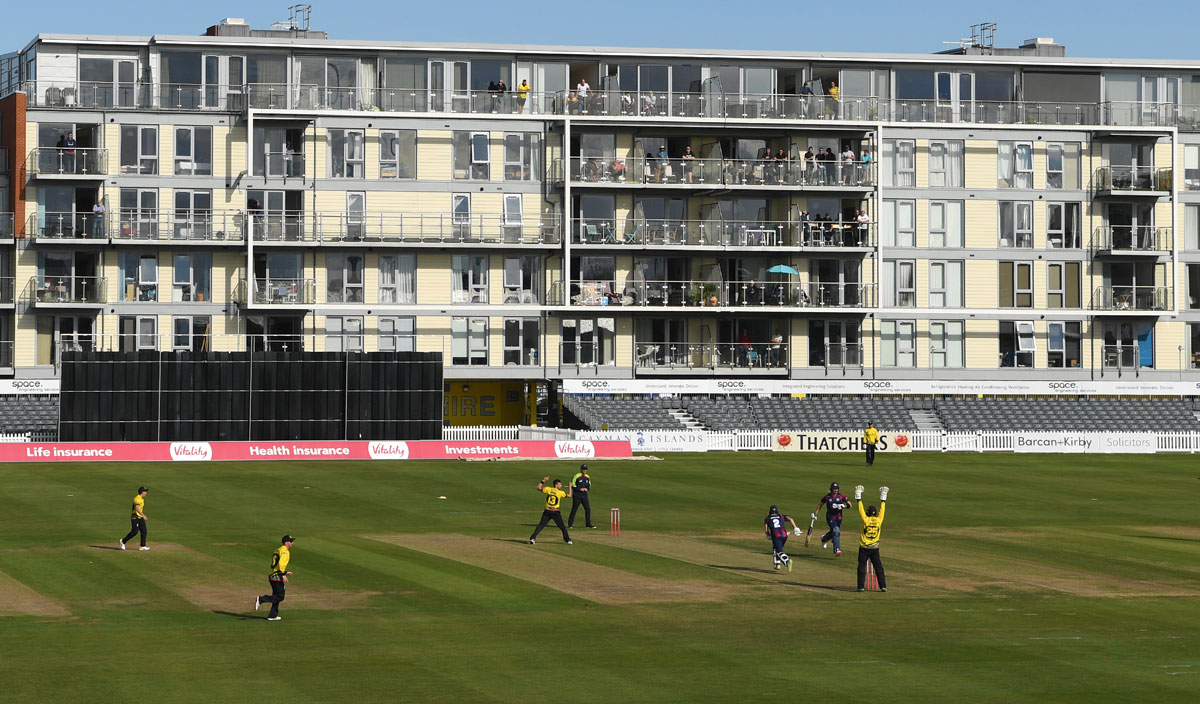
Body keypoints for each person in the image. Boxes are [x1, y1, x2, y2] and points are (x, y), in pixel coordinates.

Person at [853, 485, 888, 592]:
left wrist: (858, 498)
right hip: (874, 548)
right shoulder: (879, 520)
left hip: (864, 548)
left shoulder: (866, 519)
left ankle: (860, 587)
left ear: (868, 513)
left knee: (861, 568)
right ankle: (883, 586)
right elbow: (883, 511)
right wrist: (883, 499)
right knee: (878, 568)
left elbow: (861, 511)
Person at [256, 535, 295, 620]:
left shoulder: (278, 549)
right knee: (280, 596)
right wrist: (283, 574)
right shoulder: (285, 551)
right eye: (291, 541)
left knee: (276, 595)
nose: (293, 543)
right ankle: (261, 599)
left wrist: (285, 572)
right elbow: (281, 564)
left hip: (272, 575)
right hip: (277, 576)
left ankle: (272, 615)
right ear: (286, 542)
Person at [529, 475, 572, 544]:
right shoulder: (560, 492)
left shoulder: (548, 489)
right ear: (556, 485)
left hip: (547, 511)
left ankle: (532, 538)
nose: (561, 485)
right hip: (555, 512)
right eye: (560, 484)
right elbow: (569, 495)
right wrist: (570, 487)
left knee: (541, 525)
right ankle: (568, 540)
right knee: (562, 527)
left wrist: (543, 481)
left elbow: (538, 488)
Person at [813, 482, 851, 557]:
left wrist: (844, 506)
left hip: (839, 517)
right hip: (830, 517)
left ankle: (824, 539)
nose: (835, 490)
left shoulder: (841, 496)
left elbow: (850, 504)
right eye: (834, 489)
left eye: (837, 489)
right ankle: (837, 549)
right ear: (831, 489)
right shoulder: (827, 497)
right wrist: (815, 514)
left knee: (834, 532)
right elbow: (820, 505)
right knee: (836, 530)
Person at [763, 505, 800, 572]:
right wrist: (795, 528)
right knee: (775, 548)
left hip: (776, 536)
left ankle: (787, 561)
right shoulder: (781, 516)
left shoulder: (767, 518)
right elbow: (791, 519)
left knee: (779, 552)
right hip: (784, 535)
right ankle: (777, 564)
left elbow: (766, 530)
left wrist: (769, 535)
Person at [120, 486, 150, 550]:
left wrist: (141, 516)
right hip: (135, 517)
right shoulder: (137, 499)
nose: (146, 492)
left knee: (144, 531)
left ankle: (142, 546)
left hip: (140, 517)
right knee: (134, 531)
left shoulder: (142, 499)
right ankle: (123, 541)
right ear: (142, 492)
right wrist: (143, 515)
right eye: (145, 491)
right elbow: (137, 508)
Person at [568, 464, 597, 529]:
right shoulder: (577, 476)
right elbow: (573, 485)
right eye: (583, 469)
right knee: (574, 509)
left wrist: (587, 489)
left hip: (584, 496)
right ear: (581, 469)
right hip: (577, 496)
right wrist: (579, 489)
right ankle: (570, 524)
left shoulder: (587, 477)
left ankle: (588, 524)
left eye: (585, 469)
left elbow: (589, 485)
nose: (585, 470)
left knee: (587, 509)